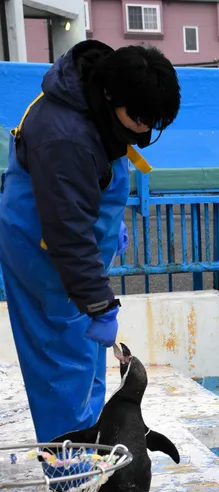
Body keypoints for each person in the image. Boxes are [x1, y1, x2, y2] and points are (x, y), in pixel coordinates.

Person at [0, 40, 180, 443]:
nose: (144, 130)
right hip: (45, 257)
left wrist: (108, 226)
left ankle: (94, 454)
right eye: (139, 120)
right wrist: (98, 304)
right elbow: (67, 232)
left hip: (74, 250)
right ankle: (73, 482)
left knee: (86, 362)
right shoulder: (64, 137)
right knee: (62, 370)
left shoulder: (101, 98)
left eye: (155, 123)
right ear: (110, 96)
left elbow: (87, 190)